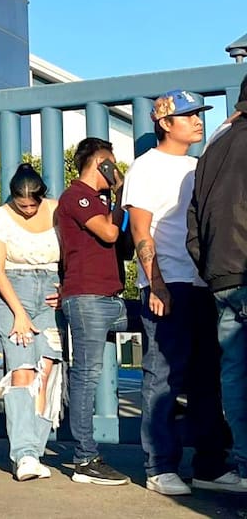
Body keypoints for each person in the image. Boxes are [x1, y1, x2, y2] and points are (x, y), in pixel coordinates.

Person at [125, 91, 238, 495]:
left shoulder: (200, 165)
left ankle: (210, 465)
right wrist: (155, 283)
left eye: (199, 114)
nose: (197, 121)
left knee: (208, 377)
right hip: (168, 282)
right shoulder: (145, 167)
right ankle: (159, 466)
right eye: (188, 115)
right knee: (163, 377)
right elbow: (141, 230)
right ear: (165, 123)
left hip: (203, 282)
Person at [56, 137, 130, 485]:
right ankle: (84, 458)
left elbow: (122, 244)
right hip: (87, 298)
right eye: (112, 164)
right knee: (87, 375)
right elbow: (109, 233)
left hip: (111, 297)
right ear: (102, 163)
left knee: (158, 323)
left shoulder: (101, 202)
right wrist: (120, 193)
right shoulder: (77, 196)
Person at [0, 163, 62, 481]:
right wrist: (18, 312)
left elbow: (73, 253)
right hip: (14, 291)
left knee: (47, 371)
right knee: (21, 370)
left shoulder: (57, 210)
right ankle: (24, 454)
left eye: (33, 205)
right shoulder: (0, 217)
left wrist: (66, 288)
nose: (28, 210)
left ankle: (35, 451)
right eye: (22, 205)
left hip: (51, 290)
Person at [188, 75, 247, 484]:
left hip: (222, 276)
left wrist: (210, 268)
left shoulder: (212, 149)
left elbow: (193, 220)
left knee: (236, 378)